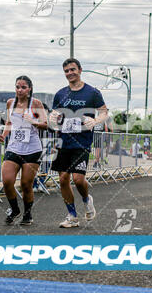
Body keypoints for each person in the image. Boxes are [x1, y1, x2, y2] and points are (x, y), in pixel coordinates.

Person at [49, 58, 108, 228]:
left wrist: (95, 121)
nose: (70, 73)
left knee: (78, 179)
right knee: (63, 179)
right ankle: (72, 216)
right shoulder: (60, 94)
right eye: (66, 71)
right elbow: (55, 116)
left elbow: (104, 112)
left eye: (72, 69)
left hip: (82, 141)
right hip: (64, 140)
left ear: (80, 70)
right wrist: (53, 119)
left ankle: (86, 199)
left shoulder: (92, 92)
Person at [0, 76, 47, 225]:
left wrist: (32, 121)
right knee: (7, 181)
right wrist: (3, 135)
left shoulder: (36, 103)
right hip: (14, 147)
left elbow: (45, 124)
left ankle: (27, 213)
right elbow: (9, 122)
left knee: (26, 184)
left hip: (32, 149)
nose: (20, 90)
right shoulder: (10, 103)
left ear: (29, 89)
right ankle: (14, 209)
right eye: (17, 87)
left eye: (23, 87)